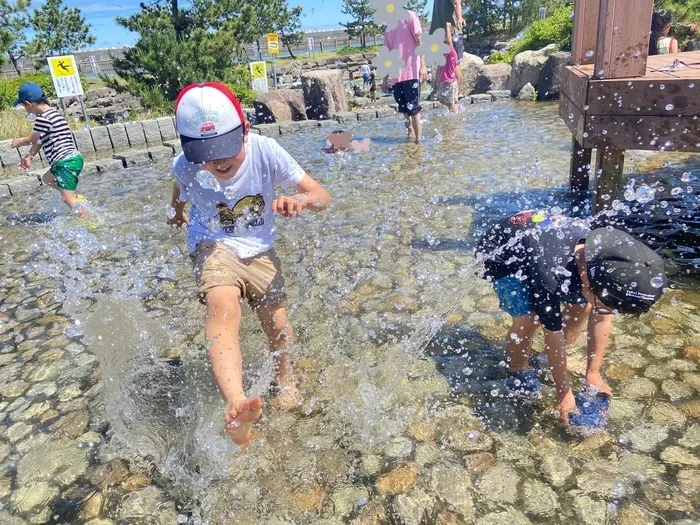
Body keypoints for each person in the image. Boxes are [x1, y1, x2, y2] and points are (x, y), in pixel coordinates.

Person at [168, 82, 331, 445]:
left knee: (277, 321)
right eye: (208, 155)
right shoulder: (186, 165)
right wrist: (178, 213)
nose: (220, 162)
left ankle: (285, 380)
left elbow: (322, 195)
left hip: (260, 249)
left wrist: (301, 201)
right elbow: (178, 188)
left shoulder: (266, 151)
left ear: (245, 129)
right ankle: (236, 403)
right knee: (223, 309)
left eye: (227, 150)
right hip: (212, 244)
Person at [475, 210, 667, 429]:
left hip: (545, 249)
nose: (605, 310)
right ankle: (517, 368)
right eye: (605, 304)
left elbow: (602, 316)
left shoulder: (613, 256)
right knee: (529, 319)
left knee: (583, 306)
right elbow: (552, 332)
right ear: (586, 279)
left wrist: (593, 373)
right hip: (502, 256)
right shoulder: (550, 275)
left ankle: (553, 359)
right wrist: (563, 392)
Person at [10, 82, 88, 217]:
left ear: (28, 104)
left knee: (67, 200)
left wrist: (18, 142)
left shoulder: (43, 118)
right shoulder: (53, 113)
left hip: (65, 163)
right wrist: (29, 156)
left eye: (23, 105)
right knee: (47, 178)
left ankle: (90, 222)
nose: (25, 109)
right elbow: (40, 140)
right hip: (71, 159)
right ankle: (75, 196)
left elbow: (32, 139)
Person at [382, 9, 428, 143]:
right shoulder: (388, 27)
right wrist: (385, 79)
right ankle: (410, 136)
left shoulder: (409, 16)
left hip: (411, 71)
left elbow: (419, 41)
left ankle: (419, 142)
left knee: (413, 109)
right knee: (404, 109)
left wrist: (423, 65)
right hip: (397, 76)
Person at [430, 0, 464, 97]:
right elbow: (457, 2)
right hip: (452, 31)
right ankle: (456, 92)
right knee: (455, 61)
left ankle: (439, 90)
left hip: (436, 32)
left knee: (441, 62)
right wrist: (459, 18)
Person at [436, 22, 459, 113]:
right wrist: (437, 79)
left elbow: (449, 42)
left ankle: (454, 115)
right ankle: (455, 109)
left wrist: (448, 28)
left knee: (450, 102)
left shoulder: (451, 52)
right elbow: (439, 67)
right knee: (441, 99)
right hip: (443, 81)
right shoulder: (443, 54)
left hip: (450, 81)